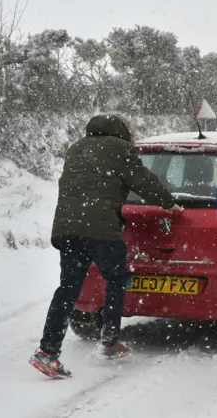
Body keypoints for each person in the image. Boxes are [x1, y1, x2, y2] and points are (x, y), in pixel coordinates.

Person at [29, 114, 177, 379]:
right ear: (121, 132)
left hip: (68, 228)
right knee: (116, 279)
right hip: (101, 229)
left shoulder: (77, 148)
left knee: (68, 288)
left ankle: (47, 351)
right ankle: (109, 341)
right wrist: (168, 202)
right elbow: (142, 181)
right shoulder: (120, 149)